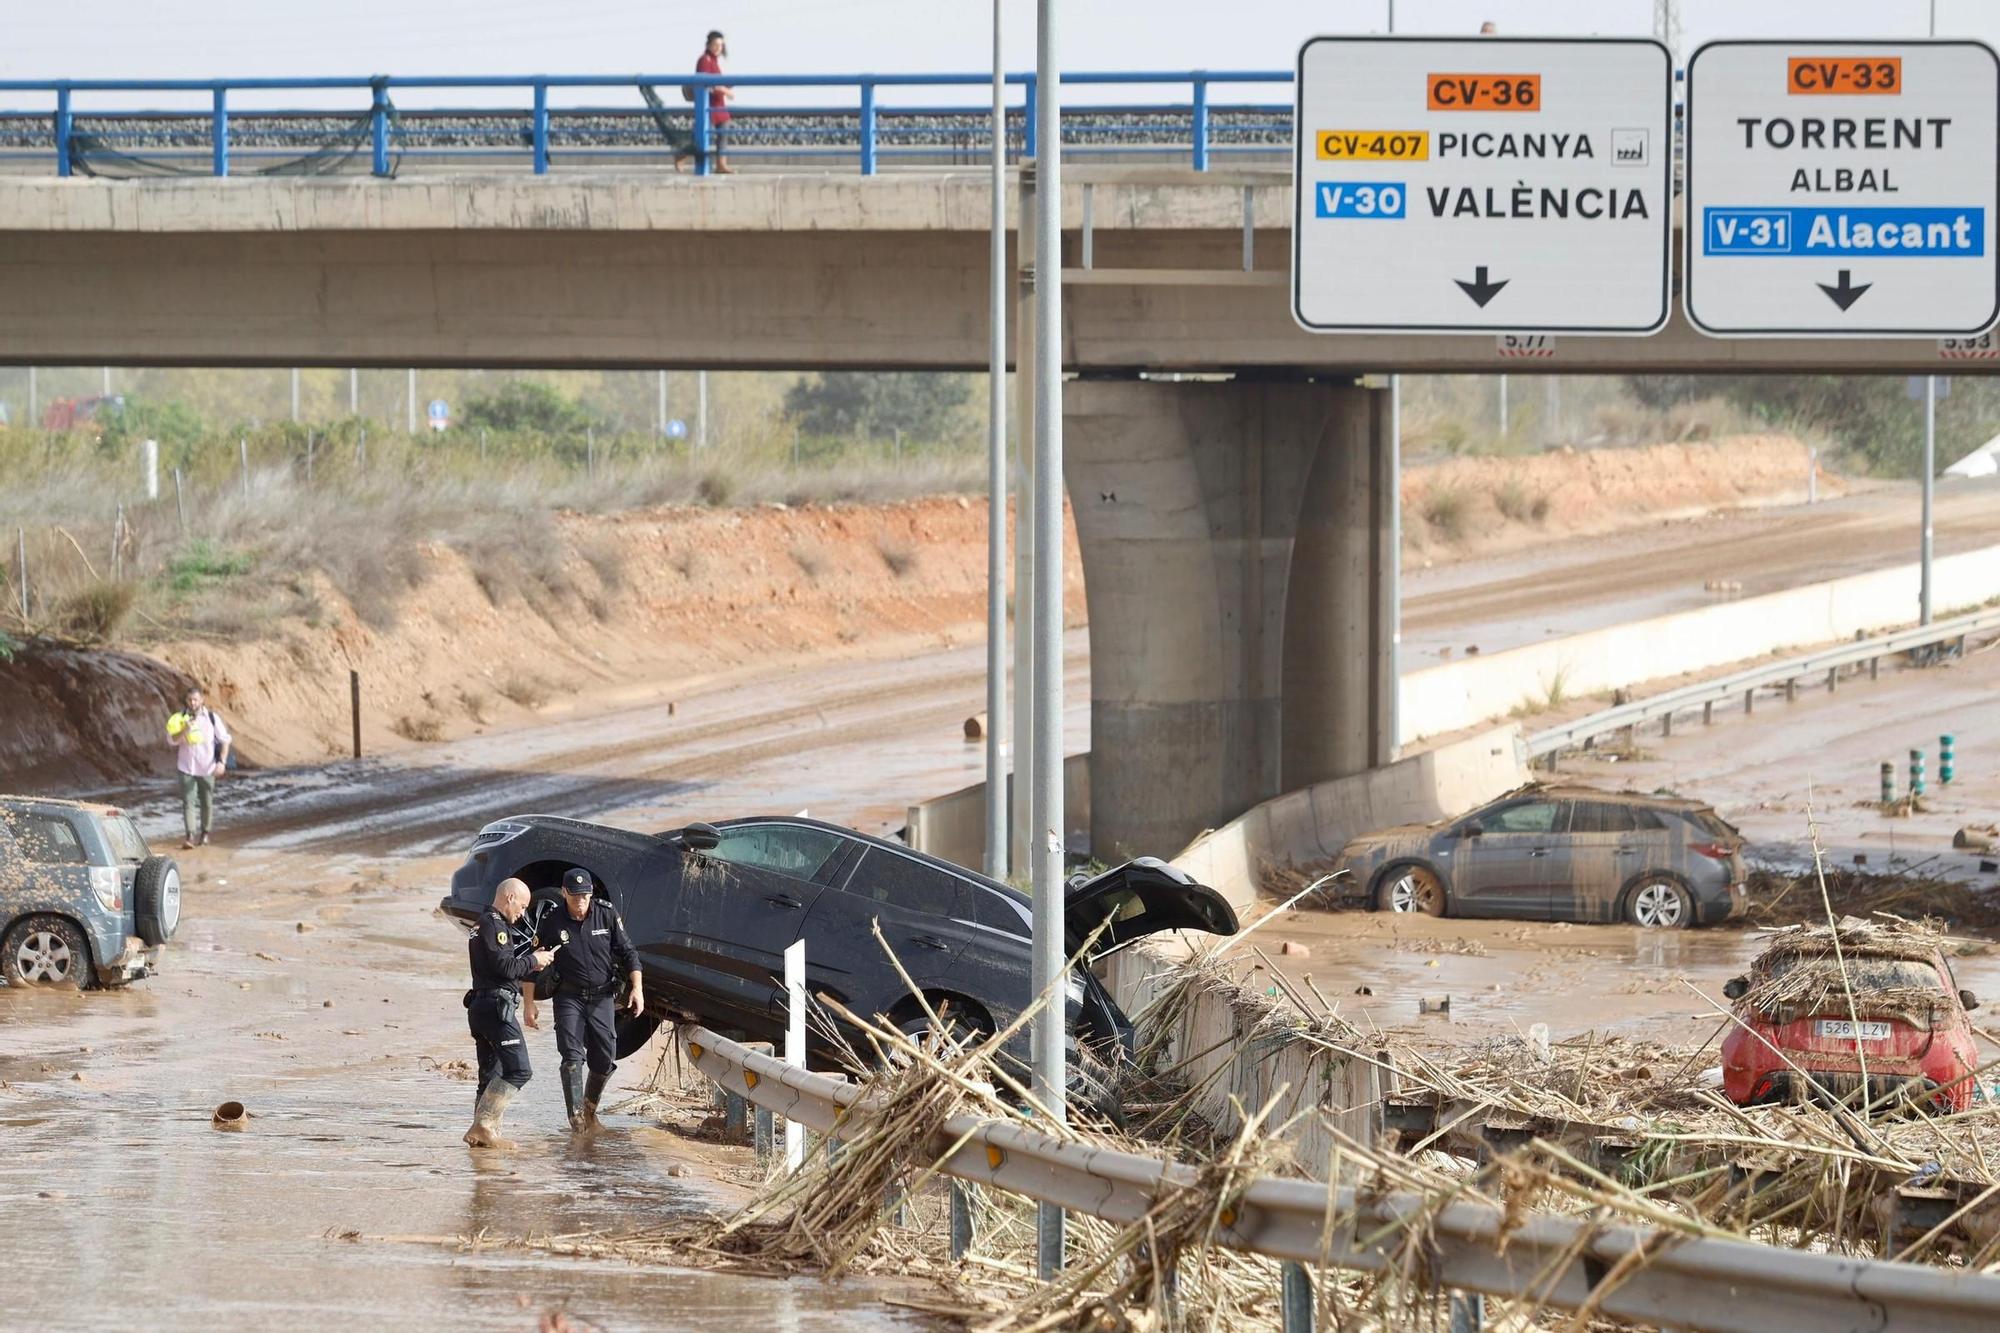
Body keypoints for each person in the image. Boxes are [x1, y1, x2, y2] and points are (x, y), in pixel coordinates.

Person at [525, 868, 643, 1131]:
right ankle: (576, 1119)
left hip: (602, 995)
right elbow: (532, 963)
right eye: (575, 895)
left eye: (585, 895)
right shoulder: (552, 920)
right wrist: (529, 1003)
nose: (580, 901)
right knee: (571, 1055)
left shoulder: (606, 913)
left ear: (591, 893)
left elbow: (629, 952)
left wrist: (638, 989)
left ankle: (590, 1109)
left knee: (604, 1055)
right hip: (569, 996)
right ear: (564, 893)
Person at [464, 878, 556, 1149]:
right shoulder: (494, 924)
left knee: (491, 1074)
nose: (523, 913)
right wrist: (534, 960)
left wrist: (530, 964)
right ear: (509, 897)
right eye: (523, 905)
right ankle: (483, 1126)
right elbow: (505, 967)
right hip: (495, 1008)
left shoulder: (482, 924)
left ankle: (483, 1137)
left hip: (482, 1006)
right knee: (519, 1070)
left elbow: (501, 967)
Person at [165, 686, 231, 849]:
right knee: (188, 802)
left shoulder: (211, 718)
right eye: (189, 700)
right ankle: (190, 836)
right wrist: (185, 729)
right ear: (186, 701)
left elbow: (225, 739)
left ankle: (205, 833)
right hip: (186, 767)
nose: (192, 703)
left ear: (202, 700)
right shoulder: (179, 718)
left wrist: (222, 762)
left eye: (195, 699)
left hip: (207, 767)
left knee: (206, 802)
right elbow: (172, 740)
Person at [676, 30, 734, 173]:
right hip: (708, 105)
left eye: (721, 45)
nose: (718, 48)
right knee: (700, 135)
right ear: (708, 45)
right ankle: (681, 156)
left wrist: (726, 86)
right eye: (715, 45)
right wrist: (726, 91)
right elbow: (707, 83)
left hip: (718, 105)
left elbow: (716, 81)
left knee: (723, 131)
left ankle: (721, 163)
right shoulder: (704, 60)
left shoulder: (714, 61)